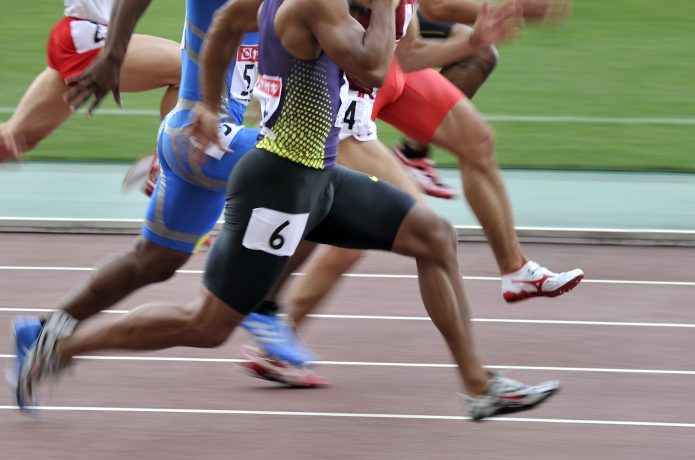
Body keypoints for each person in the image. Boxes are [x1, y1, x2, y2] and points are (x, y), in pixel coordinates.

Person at [16, 0, 560, 421]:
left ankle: (477, 386)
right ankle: (64, 349)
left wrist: (205, 102)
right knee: (206, 326)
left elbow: (233, 24)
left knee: (434, 236)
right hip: (273, 174)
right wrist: (186, 96)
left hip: (308, 173)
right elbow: (371, 67)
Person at [239, 0, 583, 383]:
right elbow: (437, 8)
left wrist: (476, 41)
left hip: (384, 75)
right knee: (411, 232)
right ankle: (267, 316)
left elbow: (411, 51)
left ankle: (514, 271)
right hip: (340, 103)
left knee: (475, 140)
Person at [6, 0, 316, 399]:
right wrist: (114, 54)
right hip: (202, 133)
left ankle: (47, 333)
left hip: (205, 139)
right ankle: (264, 304)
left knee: (155, 261)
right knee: (311, 172)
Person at [395, 0, 572, 199]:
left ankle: (411, 154)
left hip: (388, 15)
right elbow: (437, 8)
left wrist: (476, 39)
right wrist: (512, 10)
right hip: (364, 21)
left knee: (479, 52)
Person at [0, 0, 180, 163]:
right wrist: (113, 56)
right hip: (89, 41)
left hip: (78, 35)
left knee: (13, 139)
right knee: (192, 70)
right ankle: (166, 165)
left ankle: (169, 165)